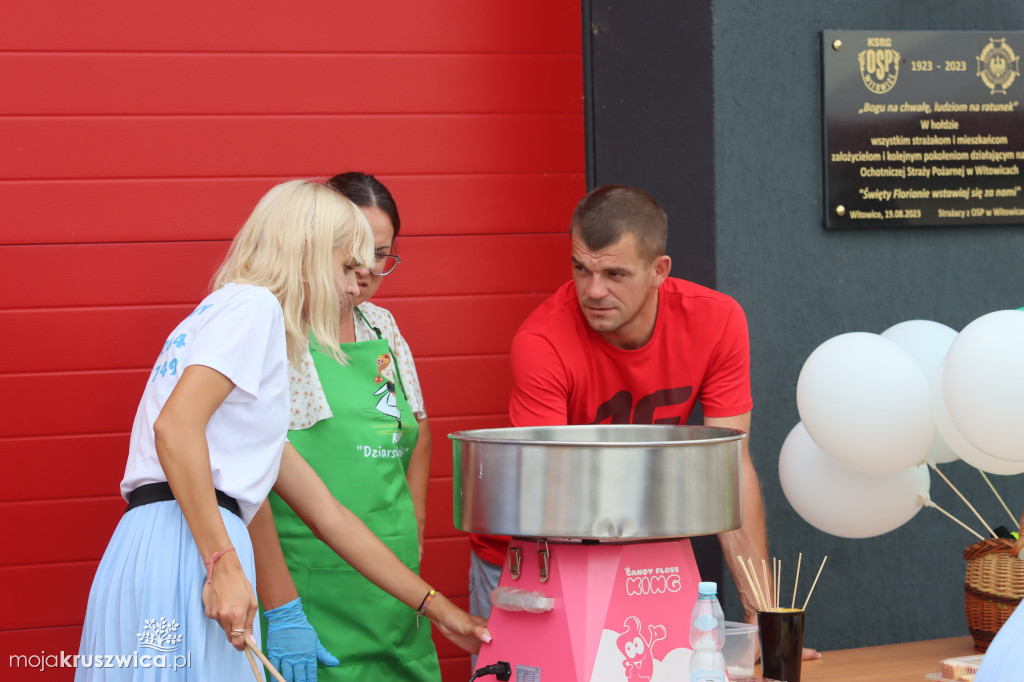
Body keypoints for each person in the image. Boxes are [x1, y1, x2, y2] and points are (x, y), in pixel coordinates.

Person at [76, 179, 488, 681]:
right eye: (346, 266)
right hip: (194, 546)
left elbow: (328, 515)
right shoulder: (256, 308)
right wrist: (223, 563)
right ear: (310, 252)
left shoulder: (219, 313)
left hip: (157, 541)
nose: (356, 285)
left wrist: (439, 609)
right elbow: (175, 427)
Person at [468, 184, 817, 658]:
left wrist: (762, 622)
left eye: (614, 273)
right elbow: (548, 499)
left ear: (659, 271)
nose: (593, 290)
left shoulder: (717, 320)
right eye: (580, 268)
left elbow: (728, 470)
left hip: (641, 553)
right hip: (532, 555)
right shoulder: (542, 339)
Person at [250, 172, 442, 681]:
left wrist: (415, 526)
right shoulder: (276, 329)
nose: (369, 270)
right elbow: (247, 469)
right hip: (308, 578)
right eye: (356, 253)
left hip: (391, 580)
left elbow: (416, 430)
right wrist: (280, 605)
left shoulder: (383, 327)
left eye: (382, 254)